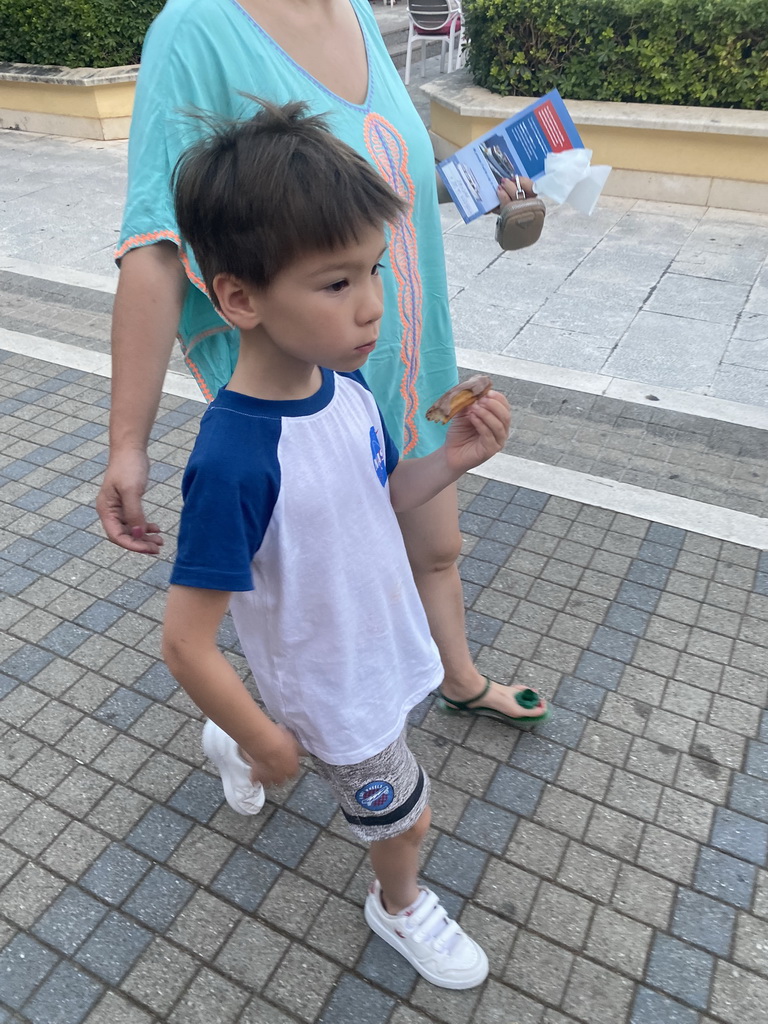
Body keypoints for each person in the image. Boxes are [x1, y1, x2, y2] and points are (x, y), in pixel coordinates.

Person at [96, 0, 549, 728]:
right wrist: (128, 444)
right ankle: (271, 727)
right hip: (307, 377)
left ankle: (455, 677)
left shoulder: (355, 14)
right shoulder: (196, 28)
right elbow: (155, 243)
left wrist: (478, 173)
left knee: (436, 544)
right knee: (318, 574)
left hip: (406, 350)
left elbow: (380, 167)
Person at [162, 100, 513, 987]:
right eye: (335, 283)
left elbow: (384, 496)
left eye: (372, 272)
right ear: (238, 296)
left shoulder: (348, 395)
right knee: (406, 818)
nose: (370, 308)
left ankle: (231, 743)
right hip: (329, 684)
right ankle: (397, 905)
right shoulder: (235, 458)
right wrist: (270, 736)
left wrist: (455, 458)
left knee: (329, 756)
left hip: (379, 645)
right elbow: (185, 638)